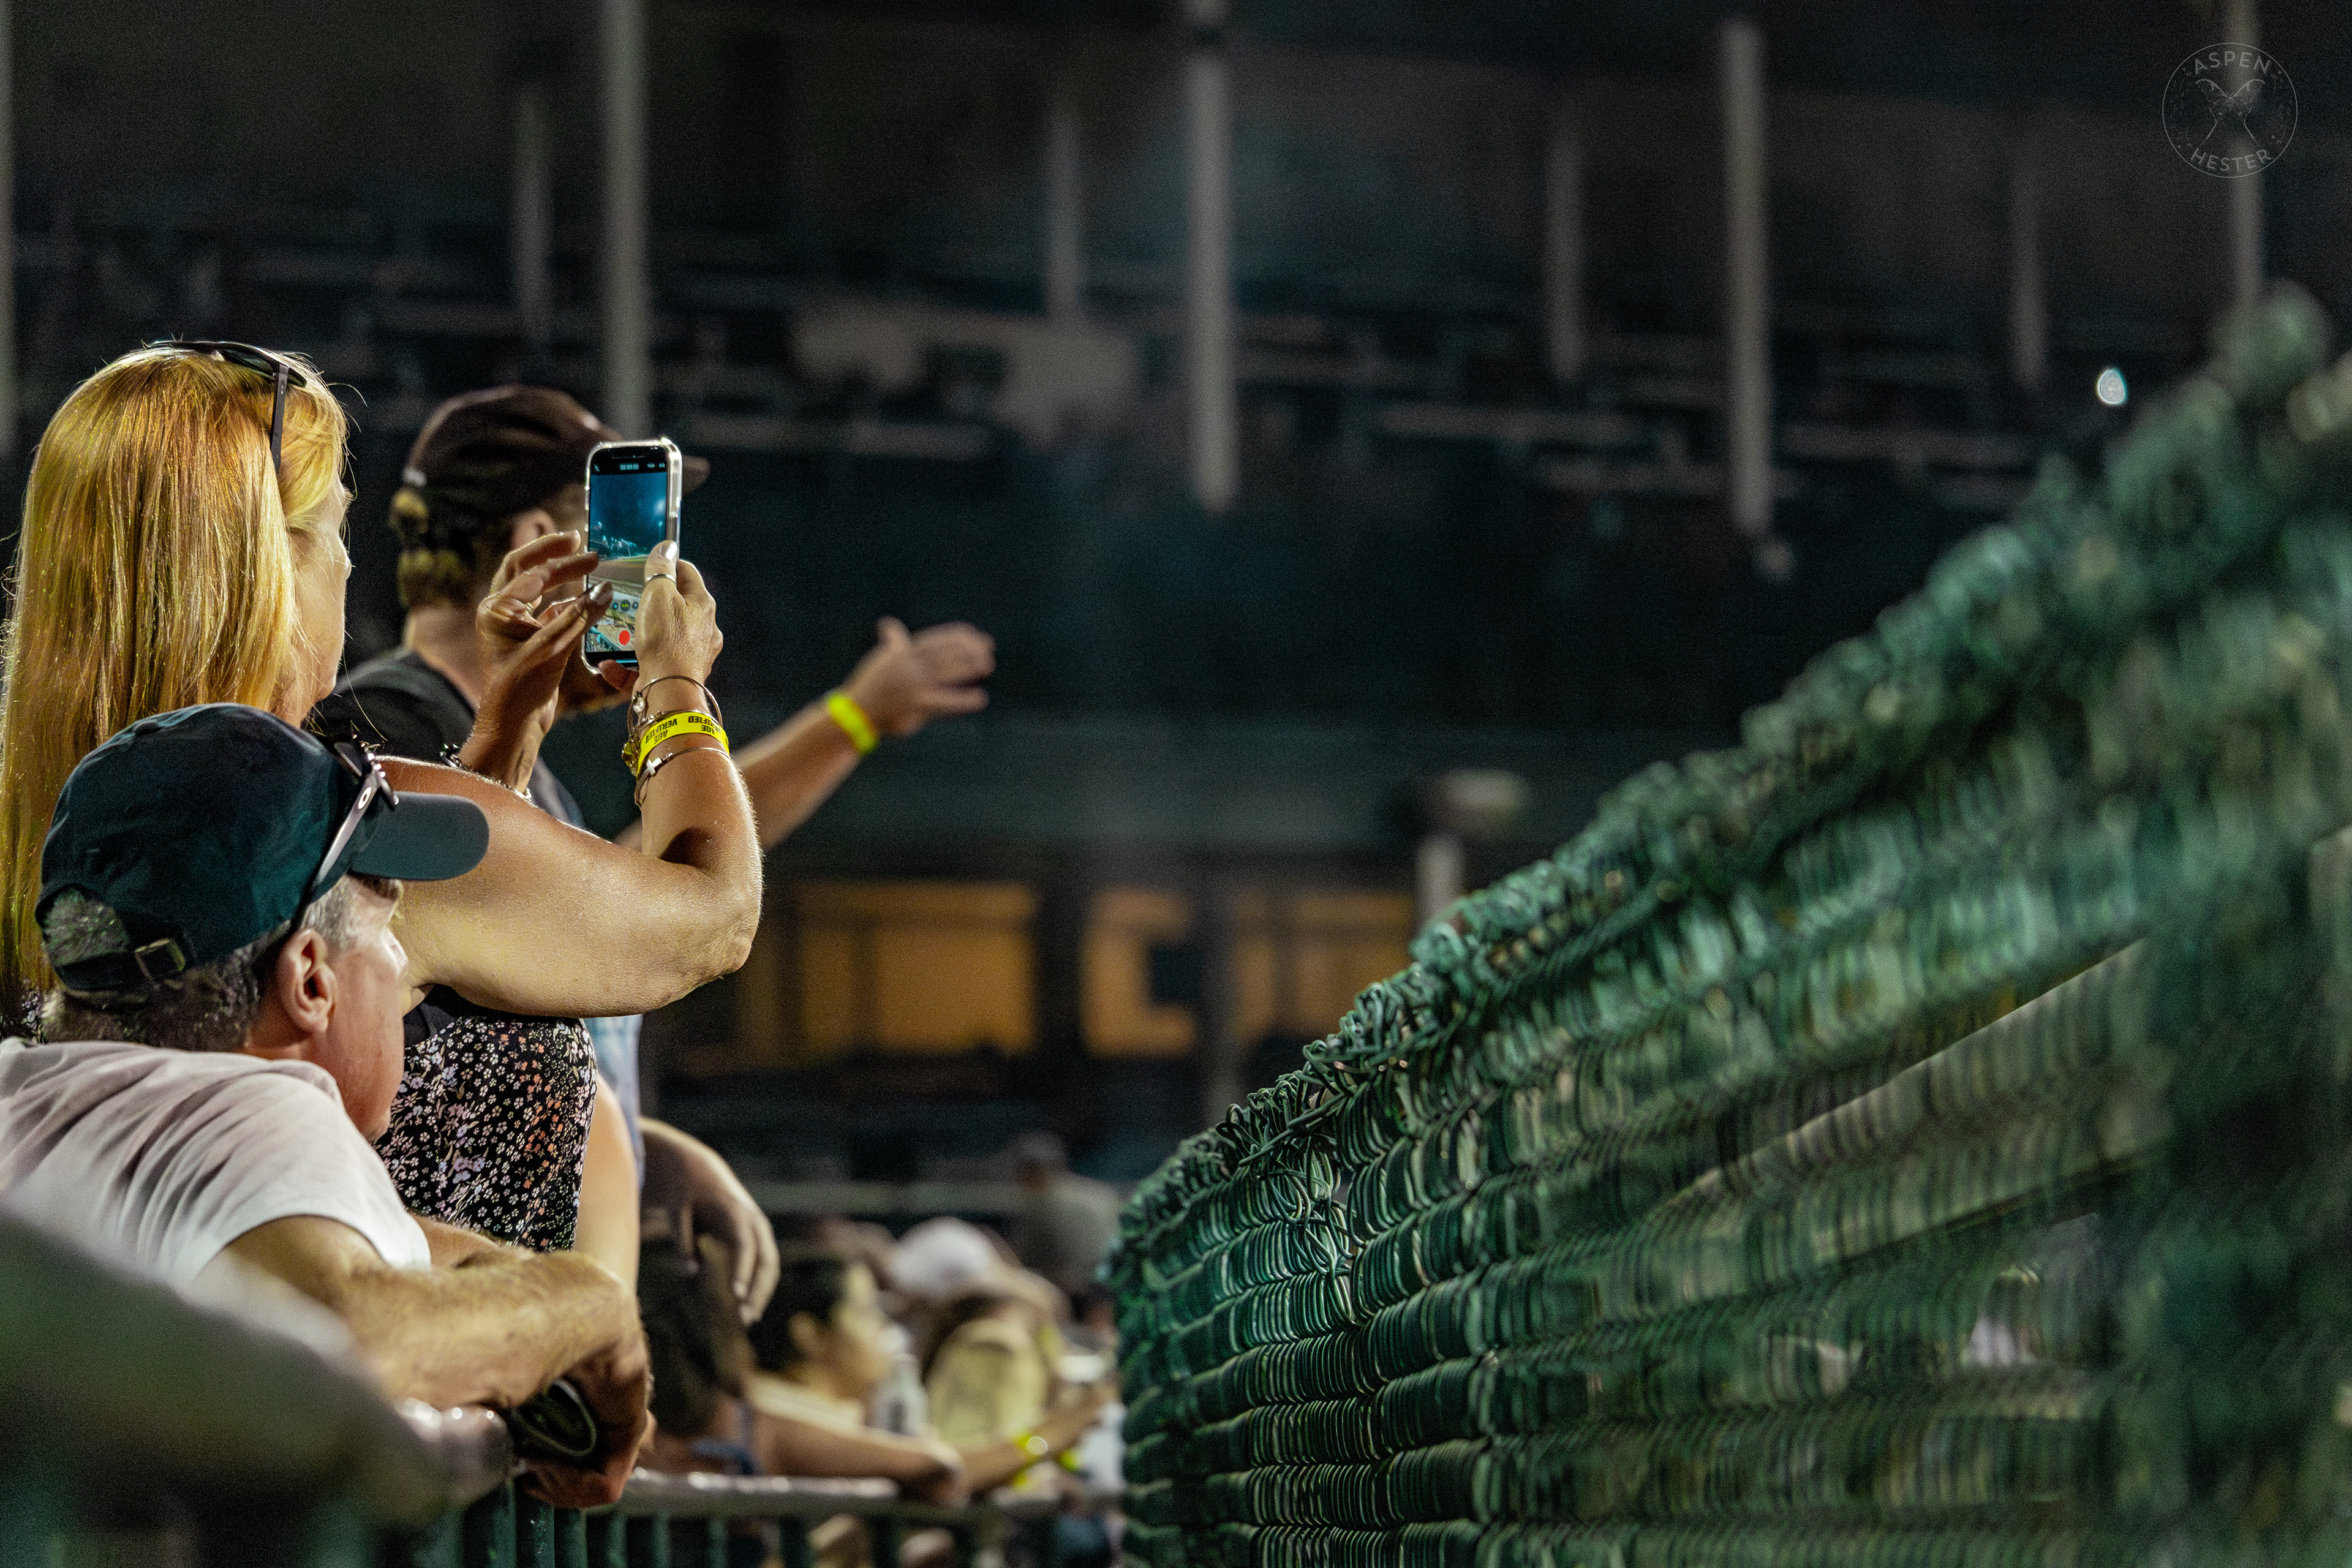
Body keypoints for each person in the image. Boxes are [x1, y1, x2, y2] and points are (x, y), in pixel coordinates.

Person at [0, 344, 764, 1276]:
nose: (353, 560)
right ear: (257, 575)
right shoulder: (324, 824)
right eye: (330, 529)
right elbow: (711, 920)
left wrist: (501, 741)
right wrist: (674, 686)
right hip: (417, 1392)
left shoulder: (59, 828)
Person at [311, 384, 995, 1312]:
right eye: (632, 541)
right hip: (456, 1336)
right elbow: (696, 913)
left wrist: (639, 1143)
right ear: (538, 540)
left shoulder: (483, 741)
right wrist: (675, 686)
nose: (658, 566)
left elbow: (639, 884)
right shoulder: (392, 730)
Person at [0, 705, 650, 1507]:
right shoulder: (261, 1108)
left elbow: (276, 1236)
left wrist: (528, 1290)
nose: (405, 958)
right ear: (311, 979)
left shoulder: (26, 1094)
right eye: (388, 923)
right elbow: (342, 1345)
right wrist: (597, 1307)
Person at [747, 1249, 1110, 1499]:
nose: (883, 1327)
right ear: (808, 1334)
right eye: (866, 1312)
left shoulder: (837, 1415)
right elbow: (943, 1468)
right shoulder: (774, 1412)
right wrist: (1047, 1436)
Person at [1005, 1132, 1123, 1299]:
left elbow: (1023, 1261)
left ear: (1030, 1171)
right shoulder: (1101, 1192)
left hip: (1078, 1294)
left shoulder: (1041, 1202)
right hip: (1119, 1285)